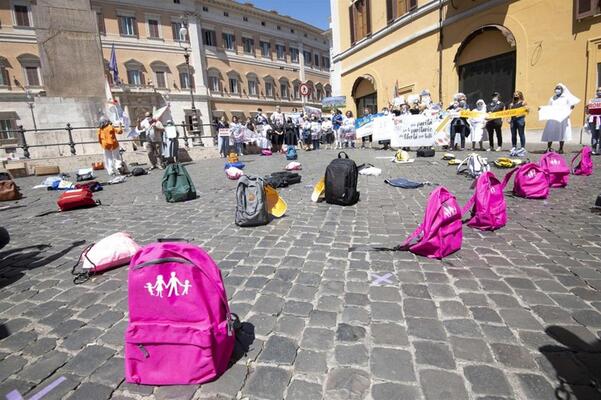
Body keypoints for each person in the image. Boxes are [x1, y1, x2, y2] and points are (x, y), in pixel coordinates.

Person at [541, 83, 580, 154]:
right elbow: (548, 107)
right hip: (553, 118)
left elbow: (571, 106)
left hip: (563, 118)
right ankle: (548, 148)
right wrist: (542, 109)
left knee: (562, 133)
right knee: (550, 132)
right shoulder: (552, 98)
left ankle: (561, 148)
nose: (557, 90)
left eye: (559, 88)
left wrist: (570, 108)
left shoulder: (566, 98)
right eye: (556, 88)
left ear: (562, 90)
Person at [585, 87, 601, 155]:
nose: (599, 92)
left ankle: (600, 149)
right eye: (598, 90)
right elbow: (587, 112)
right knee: (594, 135)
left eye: (600, 91)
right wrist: (586, 109)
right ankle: (594, 149)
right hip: (593, 119)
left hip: (600, 118)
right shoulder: (592, 100)